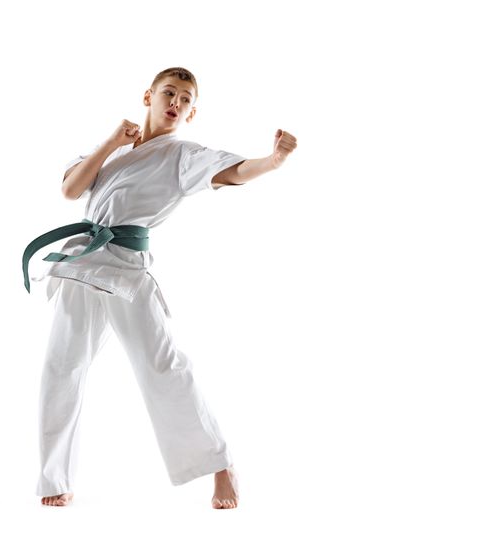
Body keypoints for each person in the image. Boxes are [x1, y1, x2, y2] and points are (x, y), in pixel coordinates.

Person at [22, 67, 298, 509]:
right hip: (79, 264)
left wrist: (272, 161)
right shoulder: (112, 149)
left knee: (164, 366)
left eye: (186, 100)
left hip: (126, 268)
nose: (177, 102)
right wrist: (112, 142)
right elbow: (71, 190)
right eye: (170, 93)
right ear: (148, 95)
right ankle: (54, 477)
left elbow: (234, 171)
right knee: (62, 367)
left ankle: (220, 464)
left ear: (191, 112)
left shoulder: (182, 155)